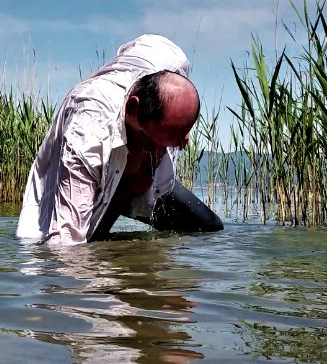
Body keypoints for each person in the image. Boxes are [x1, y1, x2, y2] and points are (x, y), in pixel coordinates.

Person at [16, 34, 223, 244]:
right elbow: (66, 241)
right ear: (132, 108)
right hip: (102, 178)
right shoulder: (89, 128)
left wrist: (178, 133)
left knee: (208, 227)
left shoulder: (169, 59)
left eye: (169, 145)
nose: (157, 155)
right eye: (149, 143)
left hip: (142, 183)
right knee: (86, 241)